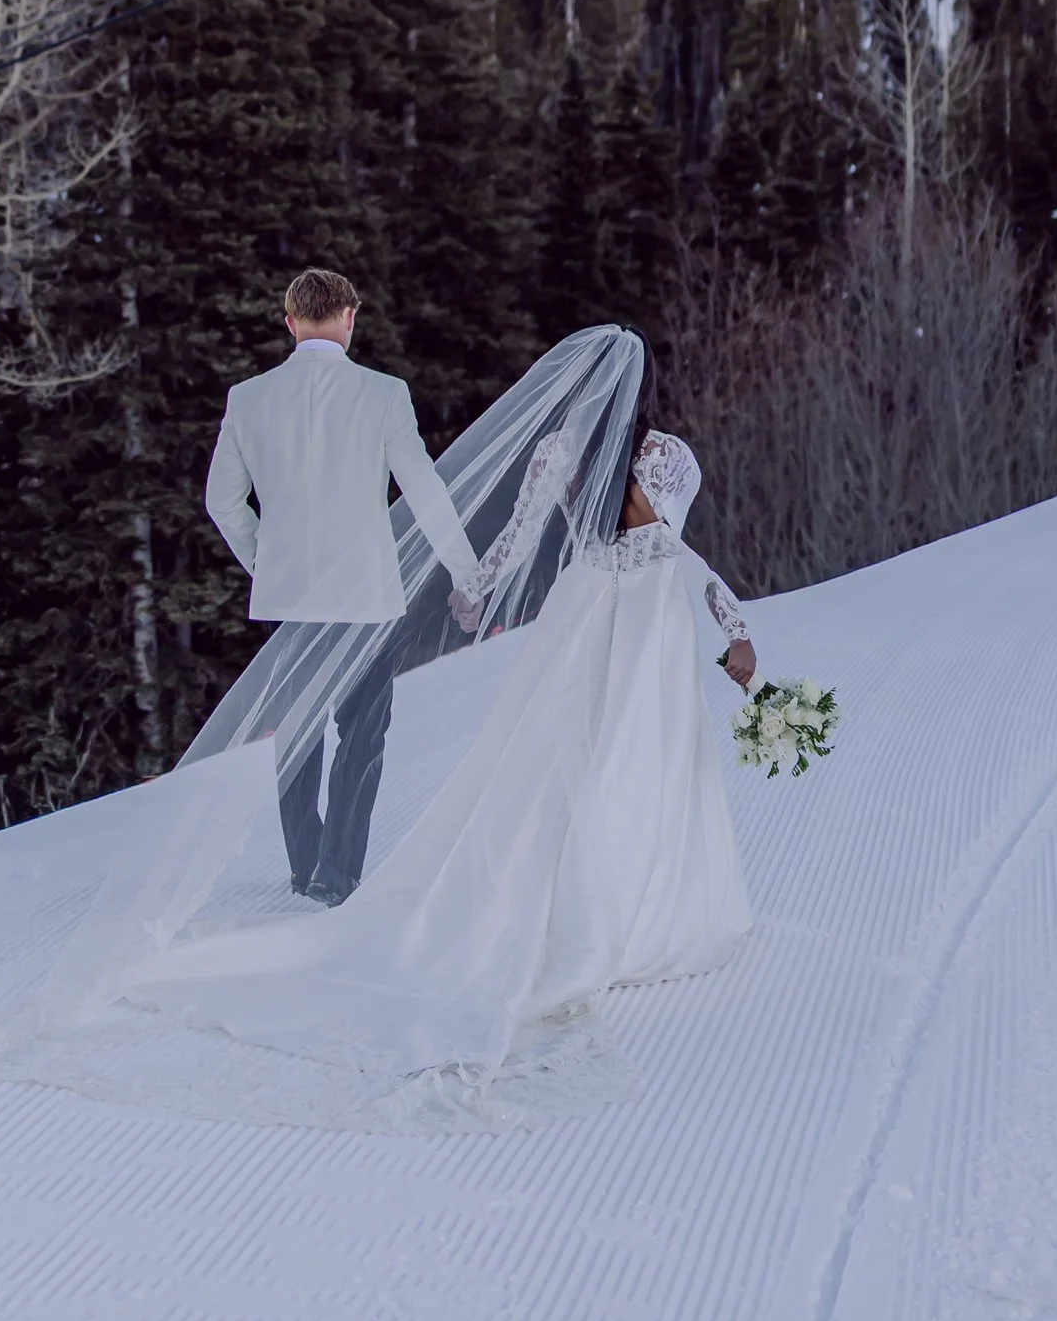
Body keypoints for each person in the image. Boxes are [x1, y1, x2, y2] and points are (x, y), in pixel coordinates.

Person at [137, 396, 759, 1078]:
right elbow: (652, 548)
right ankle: (612, 906)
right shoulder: (654, 455)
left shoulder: (588, 454)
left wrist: (474, 591)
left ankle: (592, 900)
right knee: (609, 758)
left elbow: (535, 540)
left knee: (596, 756)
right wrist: (734, 626)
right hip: (626, 621)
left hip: (605, 617)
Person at [205, 266, 483, 903]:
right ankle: (339, 874)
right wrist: (468, 574)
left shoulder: (247, 399)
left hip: (292, 600)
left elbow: (222, 500)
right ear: (350, 318)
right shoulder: (384, 393)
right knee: (362, 735)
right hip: (366, 597)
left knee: (296, 735)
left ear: (290, 323)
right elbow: (425, 492)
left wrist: (264, 561)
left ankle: (305, 867)